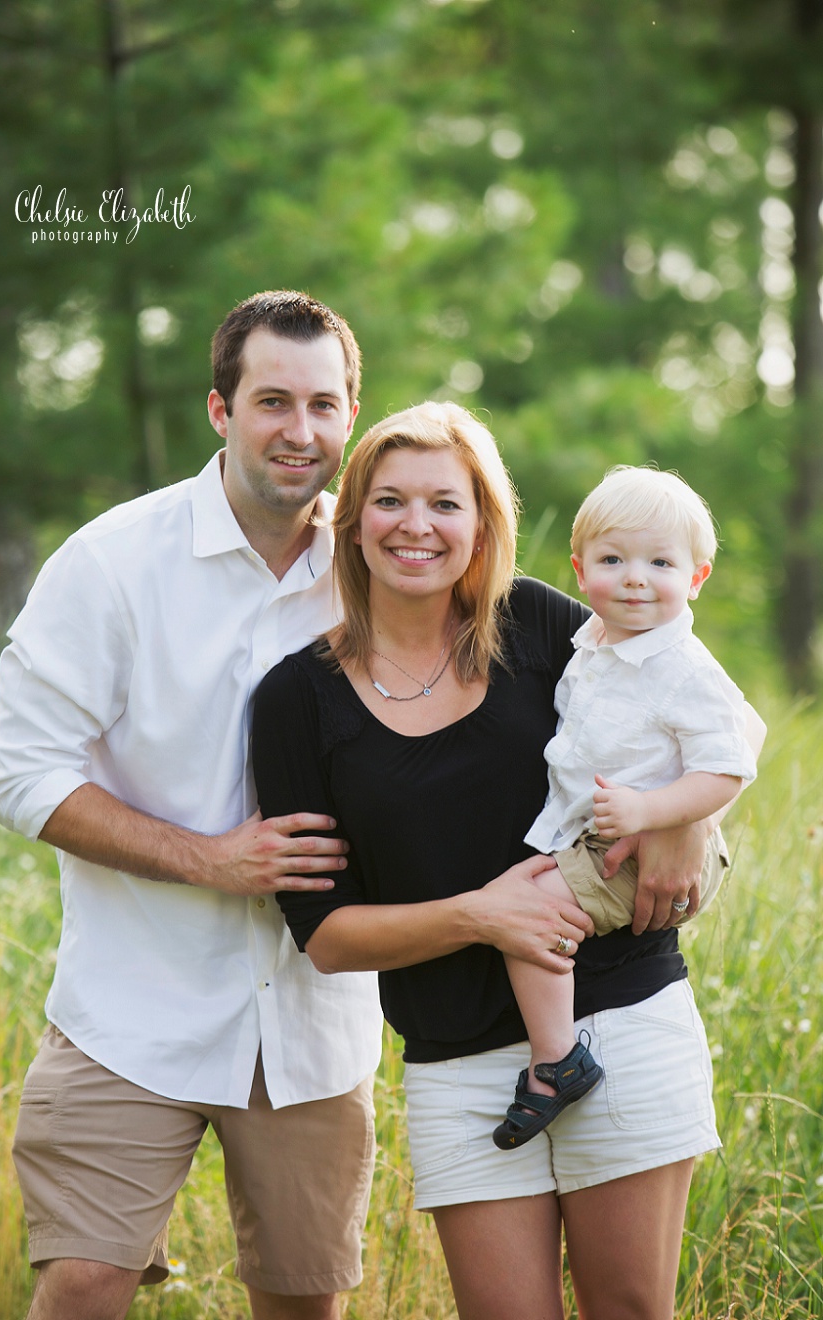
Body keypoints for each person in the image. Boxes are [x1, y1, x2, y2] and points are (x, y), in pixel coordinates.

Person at [251, 402, 765, 1320]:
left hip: (623, 1015)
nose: (417, 526)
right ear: (351, 517)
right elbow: (324, 936)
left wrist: (680, 823)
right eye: (390, 500)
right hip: (456, 1057)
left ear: (483, 522)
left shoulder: (538, 624)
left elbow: (686, 695)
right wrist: (482, 914)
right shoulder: (297, 699)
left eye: (446, 503)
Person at [0, 290, 386, 1320]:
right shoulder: (113, 563)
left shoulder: (388, 566)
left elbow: (570, 670)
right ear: (221, 409)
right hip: (130, 1012)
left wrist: (690, 811)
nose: (300, 431)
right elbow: (21, 773)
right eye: (272, 402)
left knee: (304, 1305)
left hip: (310, 1025)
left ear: (351, 414)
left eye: (325, 405)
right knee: (81, 1285)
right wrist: (209, 859)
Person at [493, 466, 758, 1150]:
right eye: (614, 560)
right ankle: (559, 1052)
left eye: (660, 563)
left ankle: (555, 1063)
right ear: (581, 572)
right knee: (527, 904)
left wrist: (653, 813)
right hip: (601, 834)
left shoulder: (684, 668)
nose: (636, 577)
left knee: (532, 919)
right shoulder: (592, 643)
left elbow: (729, 766)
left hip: (642, 839)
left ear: (696, 578)